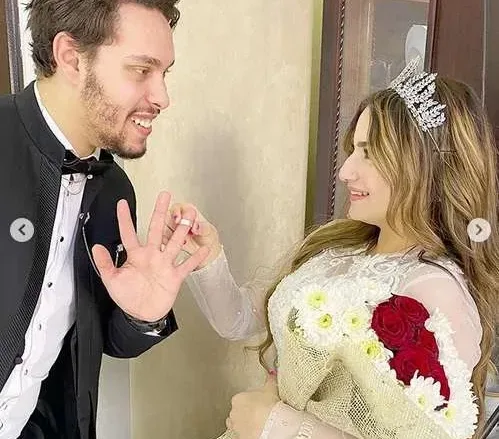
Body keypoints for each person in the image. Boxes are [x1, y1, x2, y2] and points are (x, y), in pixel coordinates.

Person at [170, 62, 499, 438]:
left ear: (425, 166)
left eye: (369, 153)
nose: (346, 171)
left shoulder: (435, 290)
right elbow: (239, 320)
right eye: (353, 150)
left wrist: (274, 425)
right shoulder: (334, 249)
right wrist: (208, 256)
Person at [0, 1, 208, 438]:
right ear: (71, 57)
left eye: (164, 73)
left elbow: (101, 340)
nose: (162, 98)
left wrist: (142, 316)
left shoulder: (114, 190)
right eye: (141, 70)